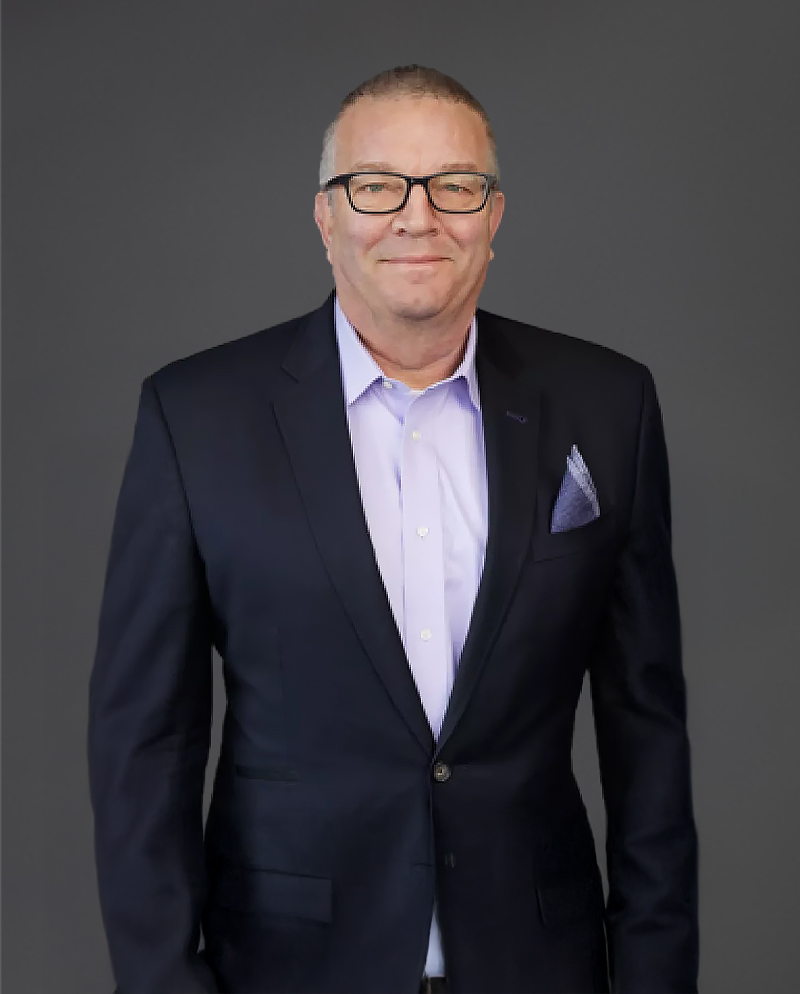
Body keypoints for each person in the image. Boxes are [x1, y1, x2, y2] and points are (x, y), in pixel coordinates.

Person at [88, 65, 699, 994]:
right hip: (286, 967)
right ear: (326, 217)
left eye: (456, 185)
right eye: (377, 186)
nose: (419, 218)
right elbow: (146, 741)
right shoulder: (196, 417)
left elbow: (646, 731)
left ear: (493, 216)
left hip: (538, 964)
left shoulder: (609, 406)